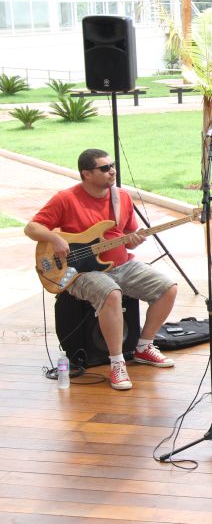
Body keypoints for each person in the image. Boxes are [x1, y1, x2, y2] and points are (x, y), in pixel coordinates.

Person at [25, 149, 178, 391]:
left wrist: (134, 240)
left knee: (167, 289)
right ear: (86, 173)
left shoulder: (122, 198)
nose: (112, 171)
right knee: (111, 294)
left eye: (113, 165)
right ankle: (117, 363)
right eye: (105, 168)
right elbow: (32, 228)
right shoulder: (66, 199)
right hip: (81, 271)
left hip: (122, 265)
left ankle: (143, 347)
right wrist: (54, 239)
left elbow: (128, 237)